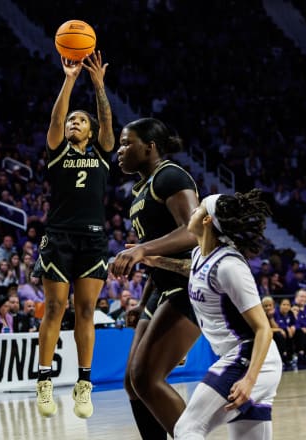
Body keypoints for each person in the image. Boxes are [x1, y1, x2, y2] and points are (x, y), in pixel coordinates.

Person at [141, 190, 281, 439]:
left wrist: (249, 380)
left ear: (207, 220)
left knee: (187, 428)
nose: (193, 211)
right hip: (246, 361)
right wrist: (156, 260)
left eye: (199, 208)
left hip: (248, 359)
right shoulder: (200, 254)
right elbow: (191, 269)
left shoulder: (230, 267)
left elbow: (263, 329)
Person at [33, 51, 114, 419]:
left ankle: (84, 385)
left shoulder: (102, 151)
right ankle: (45, 381)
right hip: (60, 235)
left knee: (86, 310)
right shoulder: (57, 151)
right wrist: (69, 80)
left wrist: (98, 85)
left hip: (93, 238)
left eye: (80, 121)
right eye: (71, 121)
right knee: (54, 308)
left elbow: (108, 124)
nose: (73, 124)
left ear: (92, 130)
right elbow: (55, 118)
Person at [110, 117, 200, 438]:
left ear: (149, 147)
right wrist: (142, 299)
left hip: (187, 285)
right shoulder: (141, 190)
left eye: (125, 143)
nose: (119, 151)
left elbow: (193, 231)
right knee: (134, 384)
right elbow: (155, 258)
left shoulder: (169, 175)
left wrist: (140, 250)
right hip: (160, 288)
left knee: (147, 378)